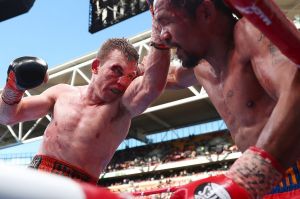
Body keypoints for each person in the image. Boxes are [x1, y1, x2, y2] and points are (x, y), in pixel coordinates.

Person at [149, 0, 300, 198]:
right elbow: (165, 79)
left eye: (166, 22)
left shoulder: (251, 32)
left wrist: (247, 176)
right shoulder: (198, 66)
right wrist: (131, 75)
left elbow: (296, 88)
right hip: (263, 185)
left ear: (205, 12)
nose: (163, 37)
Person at [0, 36, 170, 185]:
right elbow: (7, 116)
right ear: (96, 66)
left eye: (129, 76)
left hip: (77, 189)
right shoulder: (61, 93)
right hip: (35, 179)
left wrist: (159, 33)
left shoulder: (122, 106)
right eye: (116, 70)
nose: (122, 82)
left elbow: (151, 86)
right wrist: (13, 87)